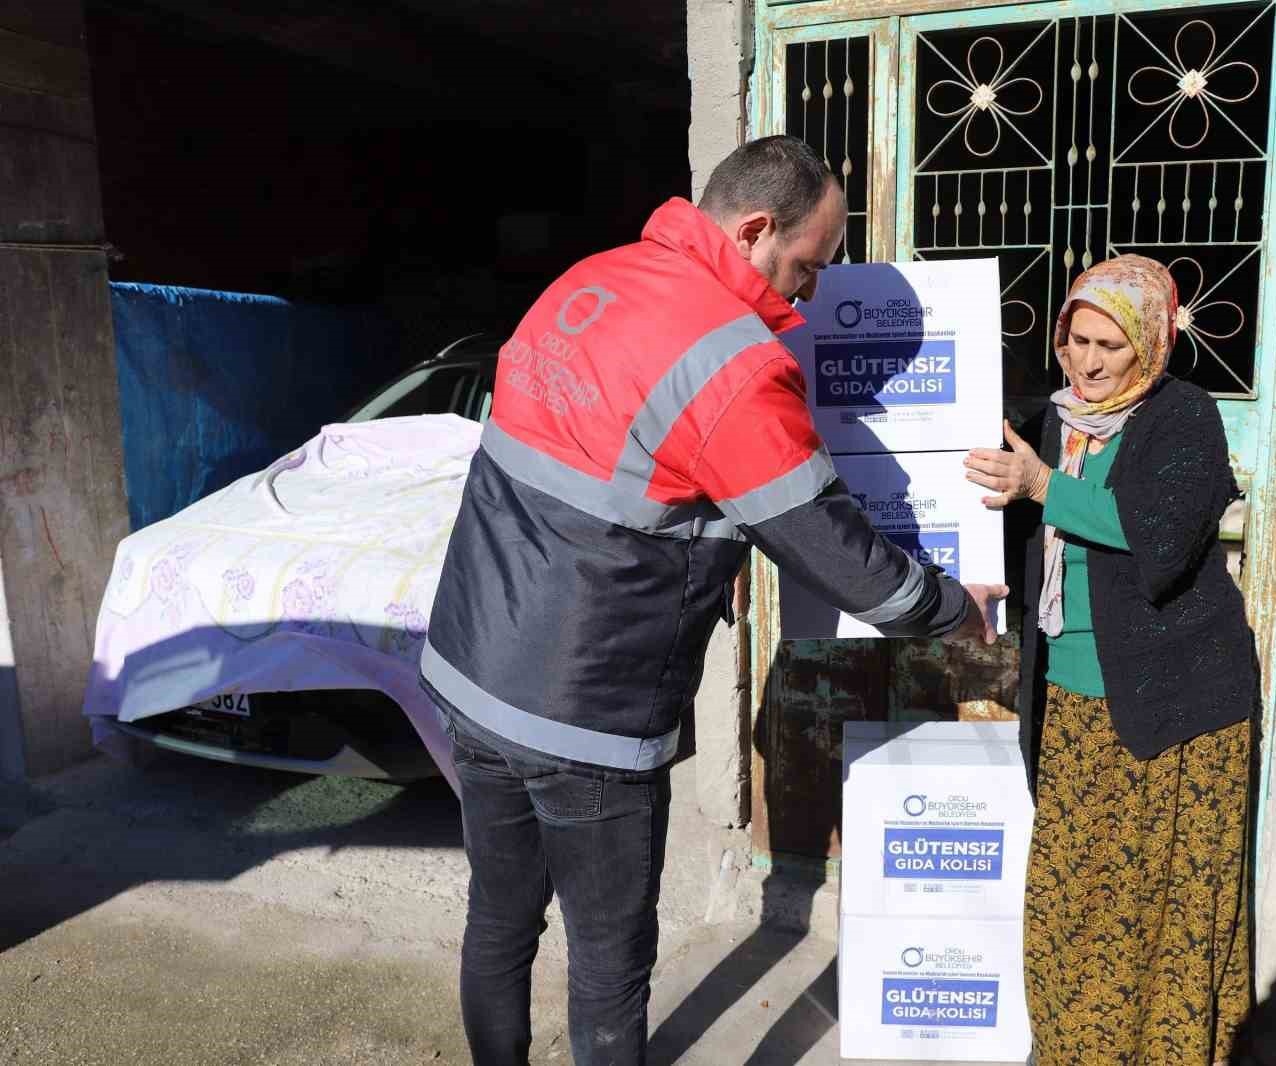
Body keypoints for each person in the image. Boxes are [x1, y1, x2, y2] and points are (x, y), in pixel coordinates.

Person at [420, 134, 1006, 1066]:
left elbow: (598, 470)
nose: (810, 294)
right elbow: (831, 549)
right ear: (754, 226)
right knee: (609, 963)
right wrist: (951, 611)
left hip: (471, 667)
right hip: (587, 712)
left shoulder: (592, 277)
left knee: (498, 921)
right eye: (806, 266)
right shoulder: (730, 362)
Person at [964, 255, 1259, 1066]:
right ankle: (1069, 1049)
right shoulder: (1055, 419)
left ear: (1152, 346)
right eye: (1073, 341)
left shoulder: (1183, 417)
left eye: (1109, 347)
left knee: (1155, 906)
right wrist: (985, 569)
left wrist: (1041, 486)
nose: (1086, 363)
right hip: (1073, 704)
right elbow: (1022, 527)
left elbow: (1161, 543)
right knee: (1069, 901)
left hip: (1176, 709)